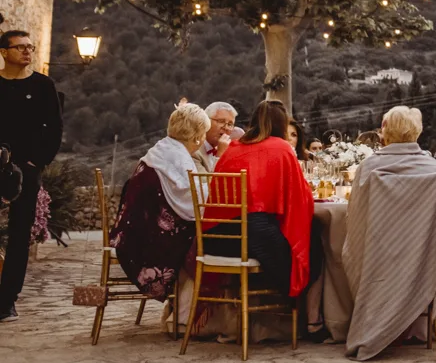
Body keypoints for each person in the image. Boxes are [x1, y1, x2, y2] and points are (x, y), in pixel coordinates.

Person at [342, 106, 436, 360]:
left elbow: (355, 222)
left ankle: (371, 323)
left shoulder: (369, 167)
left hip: (378, 263)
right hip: (424, 263)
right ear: (416, 131)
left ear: (385, 131)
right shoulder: (432, 168)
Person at [206, 100, 315, 299]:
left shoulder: (233, 148)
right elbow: (300, 197)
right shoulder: (281, 148)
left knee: (264, 229)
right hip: (250, 237)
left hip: (215, 238)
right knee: (315, 247)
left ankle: (261, 307)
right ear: (281, 124)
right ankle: (299, 310)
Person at [110, 103, 209, 302]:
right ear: (197, 136)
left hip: (134, 233)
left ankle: (184, 309)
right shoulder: (179, 158)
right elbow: (193, 203)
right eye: (204, 133)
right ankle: (191, 307)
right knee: (205, 247)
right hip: (147, 243)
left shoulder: (162, 150)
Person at [0, 30, 63, 322]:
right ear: (4, 52)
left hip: (26, 170)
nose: (27, 51)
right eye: (20, 47)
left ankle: (7, 300)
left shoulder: (43, 85)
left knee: (19, 234)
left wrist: (36, 162)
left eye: (30, 47)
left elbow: (55, 128)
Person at [198, 102, 238, 171]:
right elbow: (205, 178)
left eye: (230, 124)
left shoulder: (228, 149)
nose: (226, 128)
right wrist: (220, 155)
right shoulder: (195, 150)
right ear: (206, 121)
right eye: (221, 121)